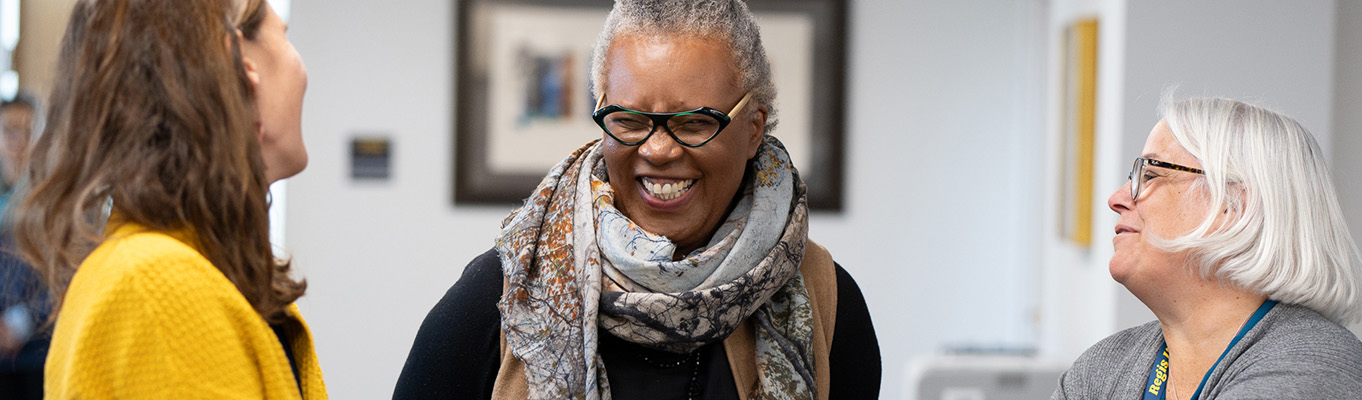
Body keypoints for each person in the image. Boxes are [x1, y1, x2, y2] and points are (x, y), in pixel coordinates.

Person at [394, 0, 881, 398]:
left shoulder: (827, 304)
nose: (658, 149)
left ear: (753, 128)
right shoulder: (505, 295)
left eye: (694, 122)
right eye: (628, 121)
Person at [11, 0, 324, 398]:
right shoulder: (159, 289)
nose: (305, 73)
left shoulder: (207, 272)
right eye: (285, 36)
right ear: (245, 74)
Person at [1052, 95, 1362, 399]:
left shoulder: (1315, 364)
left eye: (1151, 175)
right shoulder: (1100, 369)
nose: (1117, 198)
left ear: (1234, 206)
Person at [0, 92, 46, 400]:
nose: (20, 142)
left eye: (30, 131)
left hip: (35, 359)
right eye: (10, 131)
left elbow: (68, 278)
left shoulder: (56, 205)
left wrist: (18, 324)